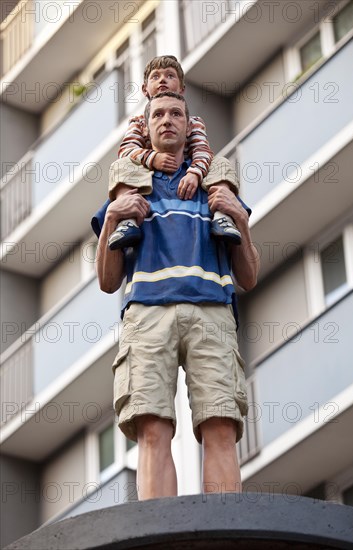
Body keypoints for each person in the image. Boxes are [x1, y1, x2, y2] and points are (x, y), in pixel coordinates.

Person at [93, 92, 260, 500]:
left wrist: (239, 215)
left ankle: (226, 531)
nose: (167, 120)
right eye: (159, 115)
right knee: (152, 427)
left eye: (176, 114)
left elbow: (249, 276)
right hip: (149, 312)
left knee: (220, 425)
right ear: (146, 128)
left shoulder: (214, 188)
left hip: (213, 310)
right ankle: (159, 534)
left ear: (189, 126)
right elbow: (107, 280)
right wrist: (112, 218)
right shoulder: (130, 190)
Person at [107, 55, 242, 250]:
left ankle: (223, 217)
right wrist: (153, 158)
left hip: (187, 172)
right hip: (148, 175)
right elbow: (127, 150)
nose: (162, 80)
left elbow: (202, 150)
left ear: (182, 89)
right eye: (155, 77)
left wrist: (195, 173)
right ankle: (127, 220)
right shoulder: (138, 123)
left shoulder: (193, 122)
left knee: (219, 163)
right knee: (121, 167)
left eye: (170, 75)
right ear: (145, 89)